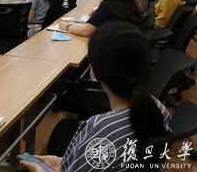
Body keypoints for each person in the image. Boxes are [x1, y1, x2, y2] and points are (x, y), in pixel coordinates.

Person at [21, 21, 171, 172]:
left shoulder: (100, 130)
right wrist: (65, 163)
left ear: (95, 71)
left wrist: (39, 170)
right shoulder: (158, 109)